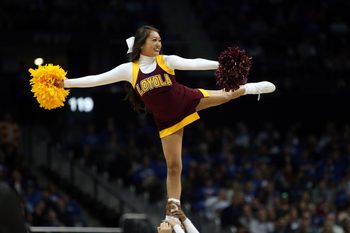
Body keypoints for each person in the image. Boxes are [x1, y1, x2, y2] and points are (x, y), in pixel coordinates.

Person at [56, 25, 275, 216]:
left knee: (227, 95)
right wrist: (66, 84)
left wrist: (220, 65)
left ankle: (251, 88)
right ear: (142, 44)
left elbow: (194, 63)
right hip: (166, 120)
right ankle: (174, 205)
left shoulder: (166, 61)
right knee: (173, 166)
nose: (159, 43)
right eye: (154, 40)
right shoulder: (129, 70)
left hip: (187, 100)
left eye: (160, 40)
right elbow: (96, 79)